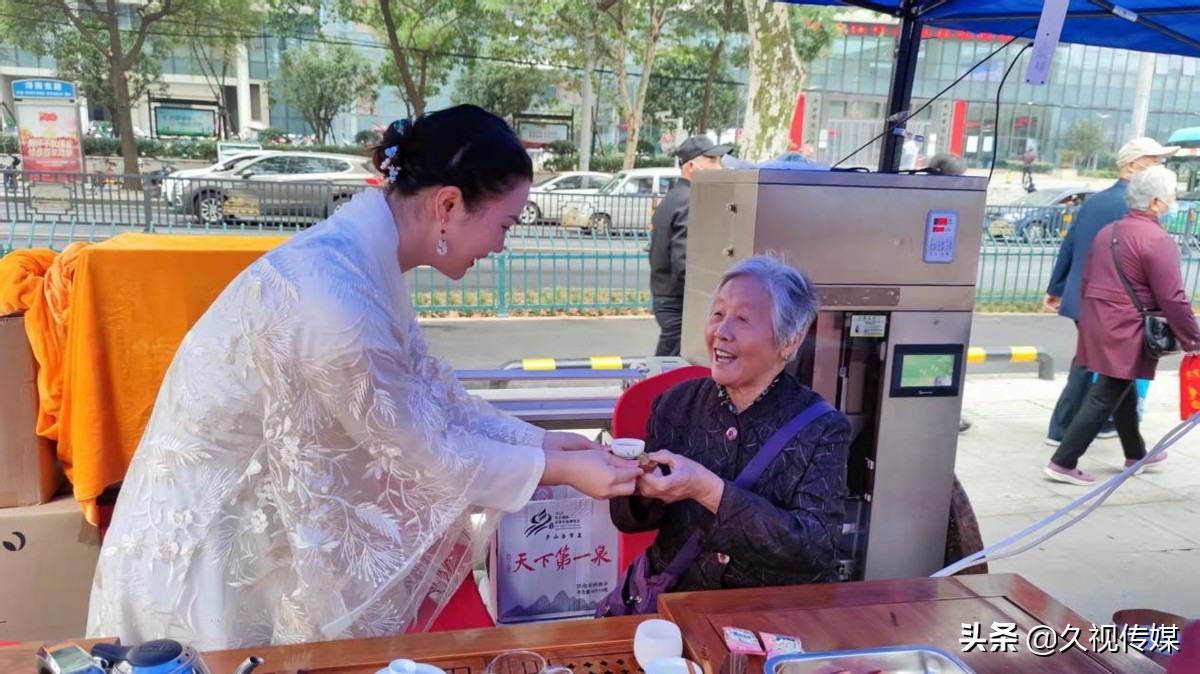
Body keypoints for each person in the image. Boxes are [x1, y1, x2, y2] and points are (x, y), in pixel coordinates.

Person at [87, 106, 643, 649]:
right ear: (448, 204)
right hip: (209, 548)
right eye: (505, 224)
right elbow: (420, 447)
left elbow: (431, 394)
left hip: (245, 528)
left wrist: (541, 442)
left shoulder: (360, 260)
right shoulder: (334, 296)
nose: (502, 246)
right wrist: (561, 467)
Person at [611, 256, 850, 590]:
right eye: (718, 314)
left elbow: (815, 549)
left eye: (742, 319)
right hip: (676, 606)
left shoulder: (821, 427)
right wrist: (643, 492)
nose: (722, 332)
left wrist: (708, 490)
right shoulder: (677, 402)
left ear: (789, 341)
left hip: (766, 622)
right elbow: (627, 521)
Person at [1045, 166, 1200, 485]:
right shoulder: (1157, 239)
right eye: (1172, 196)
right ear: (1156, 202)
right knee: (1106, 393)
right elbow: (1172, 297)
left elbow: (1087, 279)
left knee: (1122, 387)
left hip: (1099, 321)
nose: (1174, 202)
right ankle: (1063, 461)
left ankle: (1136, 453)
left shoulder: (1109, 231)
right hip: (1128, 327)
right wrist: (1193, 340)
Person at [1043, 138, 1179, 448]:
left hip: (1085, 297)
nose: (1160, 167)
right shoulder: (1131, 208)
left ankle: (1095, 432)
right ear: (1132, 165)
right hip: (1109, 303)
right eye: (1154, 160)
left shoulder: (1096, 200)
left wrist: (1056, 287)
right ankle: (1067, 437)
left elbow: (1071, 243)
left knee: (1100, 367)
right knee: (1103, 370)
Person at [649, 136, 732, 357]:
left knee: (670, 365)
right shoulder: (689, 200)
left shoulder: (677, 196)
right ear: (692, 166)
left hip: (668, 298)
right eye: (712, 160)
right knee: (670, 369)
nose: (719, 167)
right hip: (678, 303)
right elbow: (683, 264)